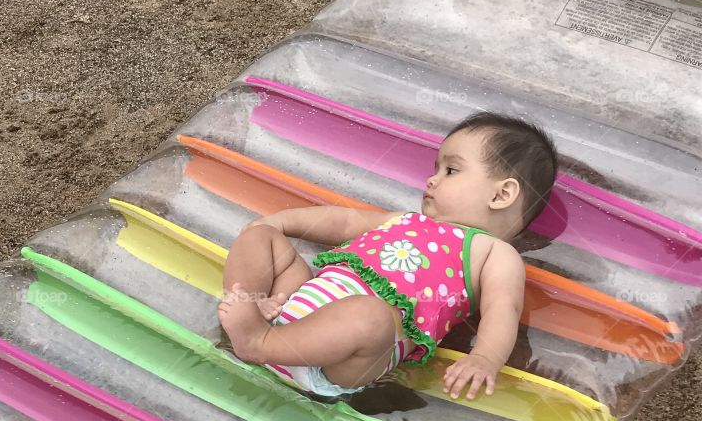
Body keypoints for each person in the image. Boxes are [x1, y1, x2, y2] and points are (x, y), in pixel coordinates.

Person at [217, 110, 558, 401]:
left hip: (342, 360)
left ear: (502, 194)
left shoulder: (495, 254)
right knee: (261, 238)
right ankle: (252, 301)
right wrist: (280, 222)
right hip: (296, 302)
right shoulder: (406, 221)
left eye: (451, 171)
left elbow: (503, 309)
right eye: (436, 169)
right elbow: (345, 221)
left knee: (370, 317)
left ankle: (256, 342)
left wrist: (485, 357)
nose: (431, 180)